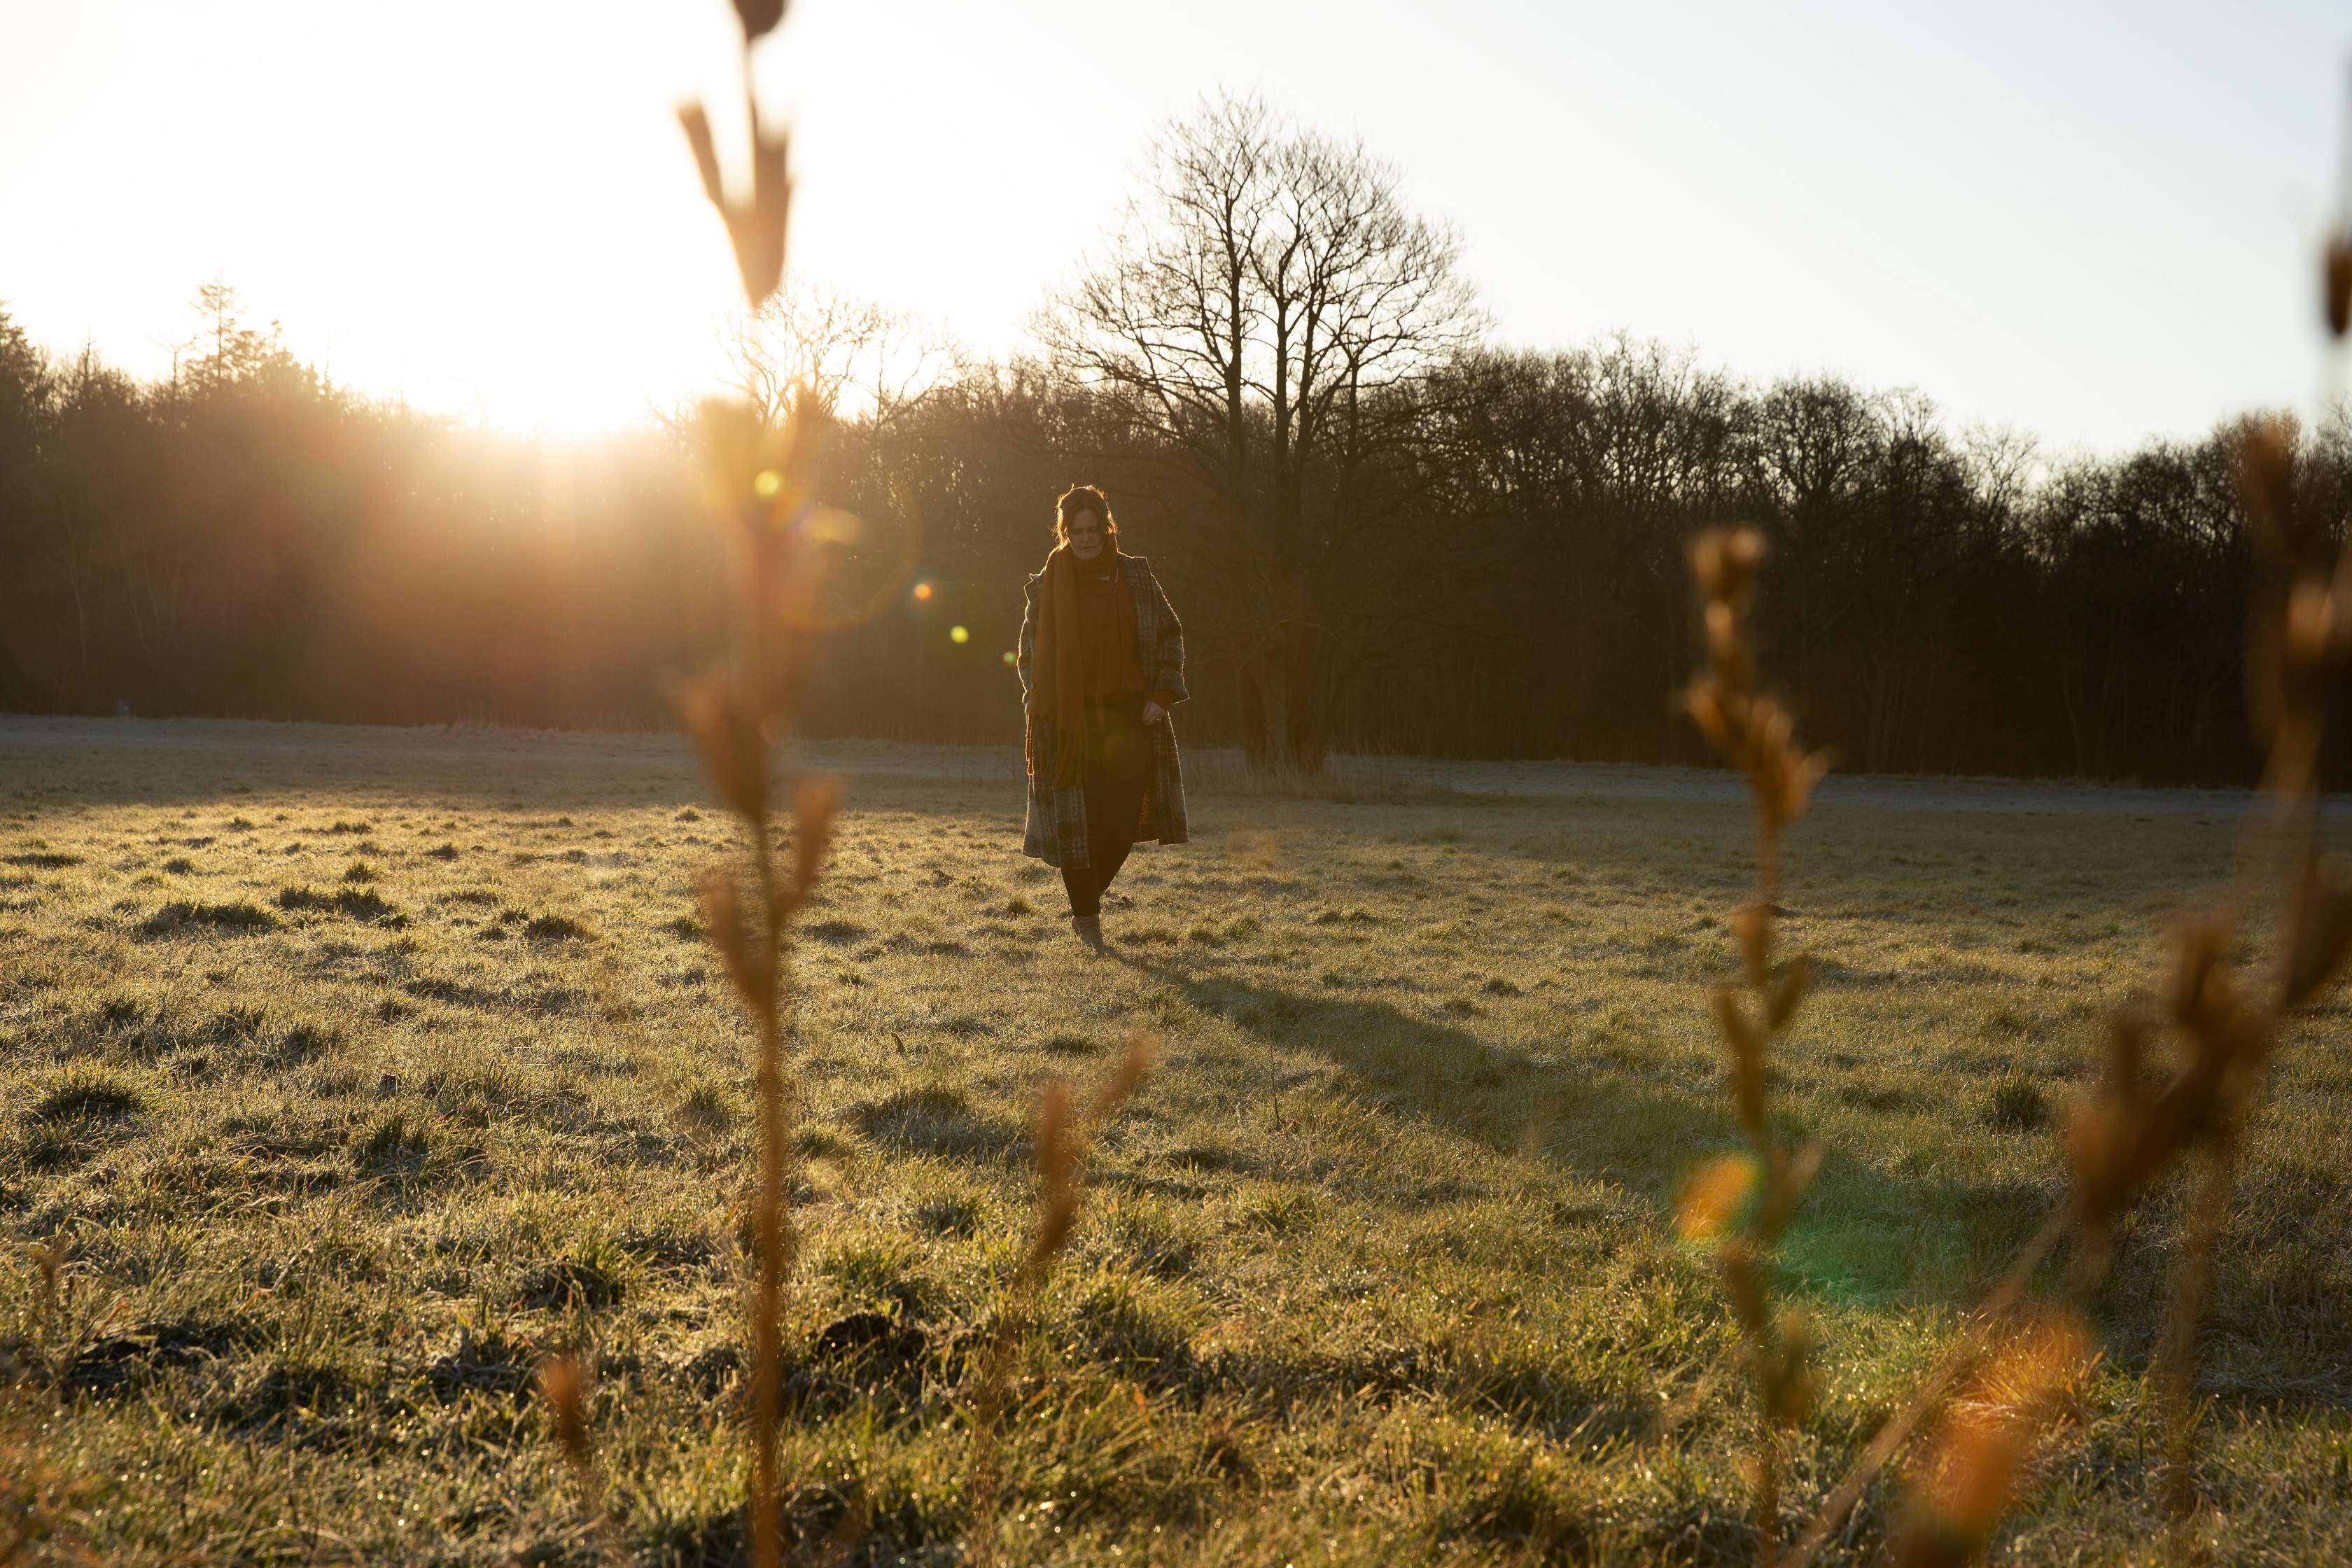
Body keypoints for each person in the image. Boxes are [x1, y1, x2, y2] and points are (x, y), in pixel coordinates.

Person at [1016, 484, 1189, 952]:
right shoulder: (1047, 585)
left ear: (1108, 528)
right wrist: (1043, 705)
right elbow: (1028, 658)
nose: (1086, 538)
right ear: (1065, 532)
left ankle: (1082, 904)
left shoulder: (1136, 576)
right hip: (1070, 727)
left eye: (1095, 529)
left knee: (1120, 824)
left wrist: (1162, 694)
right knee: (1077, 825)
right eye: (1077, 530)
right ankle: (1089, 924)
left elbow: (1171, 635)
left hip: (1131, 718)